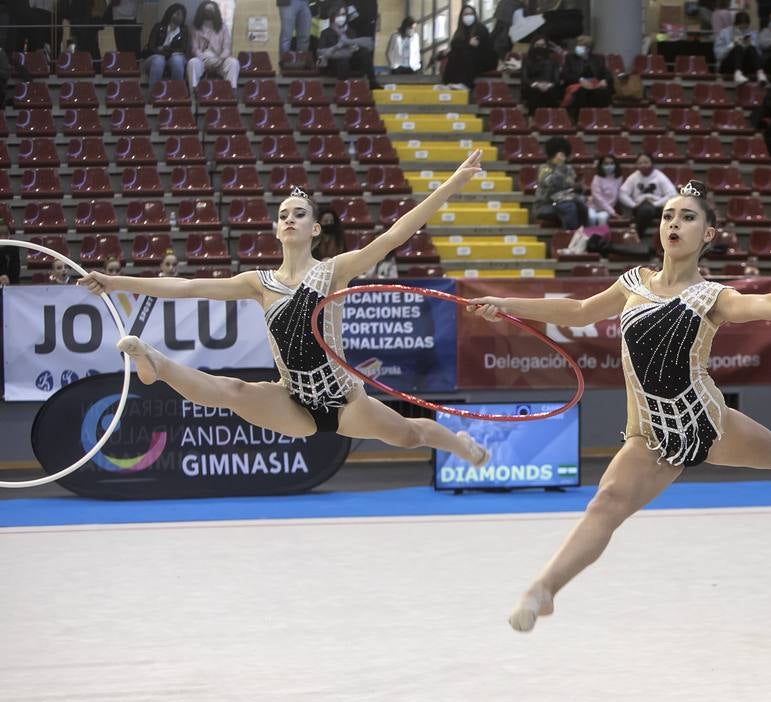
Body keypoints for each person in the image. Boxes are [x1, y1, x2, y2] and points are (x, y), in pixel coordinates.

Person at [469, 181, 771, 631]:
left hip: (705, 420)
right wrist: (505, 304)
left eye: (687, 217)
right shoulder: (633, 284)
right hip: (647, 435)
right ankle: (543, 589)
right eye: (667, 216)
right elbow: (580, 310)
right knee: (606, 503)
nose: (673, 224)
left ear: (708, 235)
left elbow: (762, 302)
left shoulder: (710, 296)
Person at [77, 155, 492, 468]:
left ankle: (460, 444)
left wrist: (455, 182)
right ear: (276, 229)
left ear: (315, 229)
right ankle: (156, 363)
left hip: (345, 401)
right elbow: (186, 286)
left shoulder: (333, 271)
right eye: (283, 216)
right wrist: (116, 283)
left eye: (299, 214)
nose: (289, 219)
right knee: (234, 393)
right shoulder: (259, 282)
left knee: (409, 434)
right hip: (293, 400)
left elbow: (395, 234)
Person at [618, 154, 678, 240]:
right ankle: (636, 235)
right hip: (639, 207)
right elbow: (622, 193)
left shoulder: (659, 176)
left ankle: (636, 234)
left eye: (646, 162)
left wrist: (655, 203)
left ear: (652, 163)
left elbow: (673, 193)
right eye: (640, 163)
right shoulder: (633, 177)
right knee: (645, 210)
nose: (643, 165)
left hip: (656, 207)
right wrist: (634, 205)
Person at [532, 137, 586, 230]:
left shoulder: (569, 169)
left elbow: (572, 186)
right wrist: (560, 167)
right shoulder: (544, 169)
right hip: (545, 205)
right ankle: (571, 236)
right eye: (560, 153)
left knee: (582, 207)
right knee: (569, 207)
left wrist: (578, 188)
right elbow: (553, 184)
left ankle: (586, 236)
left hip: (566, 201)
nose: (563, 157)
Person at [441, 3, 496, 89]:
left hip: (485, 59)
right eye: (466, 14)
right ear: (461, 16)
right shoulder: (460, 31)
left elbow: (477, 45)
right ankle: (448, 83)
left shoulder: (480, 28)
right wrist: (467, 43)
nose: (468, 16)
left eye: (471, 14)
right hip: (469, 58)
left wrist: (464, 44)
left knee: (467, 52)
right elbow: (454, 44)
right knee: (453, 54)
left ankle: (465, 84)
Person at [186, 1, 240, 89]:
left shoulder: (223, 27)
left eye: (211, 10)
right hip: (203, 60)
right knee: (192, 63)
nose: (209, 12)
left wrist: (220, 59)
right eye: (207, 10)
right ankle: (193, 92)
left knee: (233, 62)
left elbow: (226, 48)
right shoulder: (196, 27)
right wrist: (204, 59)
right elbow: (195, 48)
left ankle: (231, 91)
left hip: (220, 60)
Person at [316, 8, 375, 85]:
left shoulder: (350, 31)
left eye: (343, 14)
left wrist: (354, 46)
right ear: (333, 17)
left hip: (350, 60)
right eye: (338, 15)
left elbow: (356, 47)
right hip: (334, 62)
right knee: (343, 60)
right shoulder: (325, 33)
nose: (341, 17)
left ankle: (373, 81)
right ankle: (343, 88)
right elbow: (321, 53)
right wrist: (337, 47)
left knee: (364, 52)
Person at [560, 35, 612, 118]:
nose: (577, 48)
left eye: (581, 46)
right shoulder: (570, 58)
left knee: (602, 92)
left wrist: (604, 80)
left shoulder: (598, 59)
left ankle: (599, 118)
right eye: (577, 45)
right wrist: (580, 80)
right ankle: (580, 119)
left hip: (594, 85)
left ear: (588, 48)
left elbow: (607, 73)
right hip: (577, 84)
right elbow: (565, 75)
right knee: (582, 92)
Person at [143, 4, 189, 85]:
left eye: (181, 15)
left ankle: (177, 92)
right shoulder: (158, 27)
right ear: (170, 13)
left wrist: (166, 49)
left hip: (173, 57)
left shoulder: (184, 30)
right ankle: (155, 93)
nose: (179, 17)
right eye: (177, 13)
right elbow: (151, 47)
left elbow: (183, 49)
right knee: (159, 60)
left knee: (177, 60)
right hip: (155, 56)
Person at [714, 10, 764, 84]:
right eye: (740, 28)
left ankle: (760, 73)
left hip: (746, 65)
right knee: (738, 47)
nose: (743, 30)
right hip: (729, 64)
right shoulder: (725, 33)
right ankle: (738, 73)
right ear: (735, 24)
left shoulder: (753, 34)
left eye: (745, 28)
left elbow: (759, 55)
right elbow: (718, 55)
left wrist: (751, 44)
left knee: (751, 48)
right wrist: (732, 45)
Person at [588, 154, 623, 227]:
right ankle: (590, 237)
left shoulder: (619, 178)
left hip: (607, 209)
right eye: (606, 164)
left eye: (611, 163)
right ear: (601, 165)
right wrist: (612, 212)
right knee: (591, 217)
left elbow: (620, 195)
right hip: (593, 207)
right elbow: (597, 197)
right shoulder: (597, 178)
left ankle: (602, 238)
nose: (609, 166)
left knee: (602, 218)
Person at [0, 219, 20, 286]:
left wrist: (8, 279)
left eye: (5, 233)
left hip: (11, 284)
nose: (2, 236)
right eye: (0, 233)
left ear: (8, 234)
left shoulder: (13, 248)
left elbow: (16, 271)